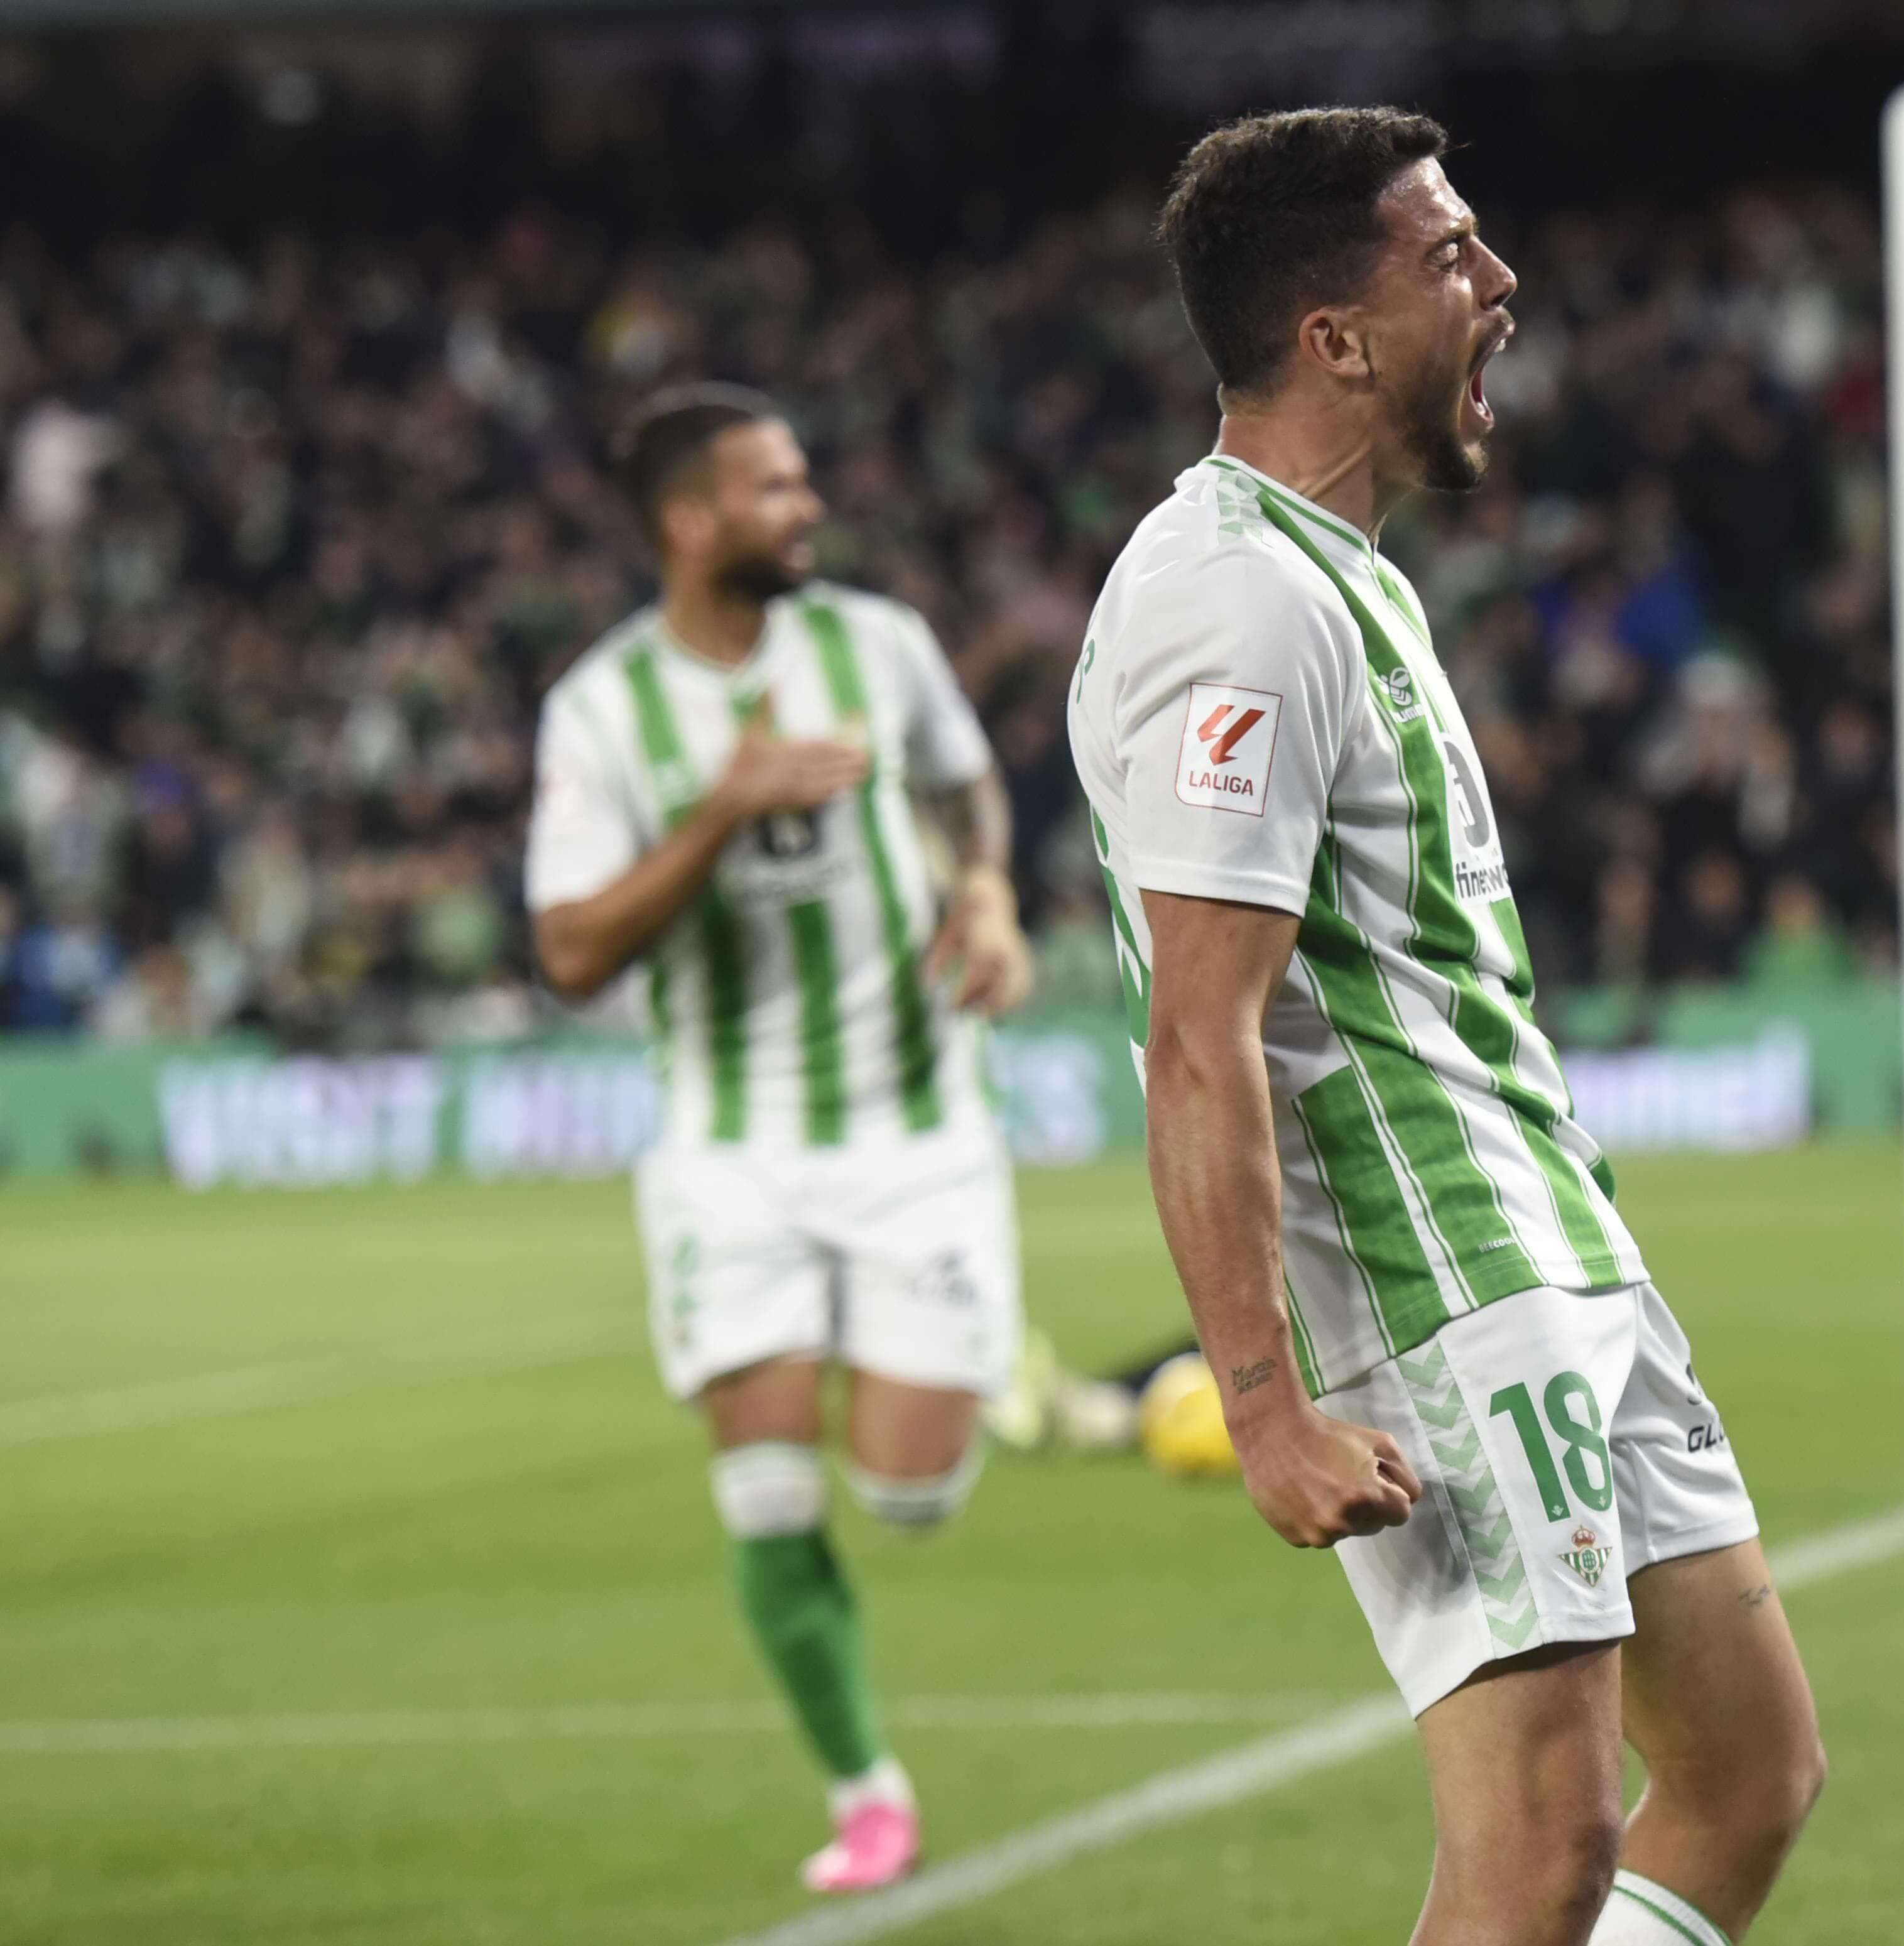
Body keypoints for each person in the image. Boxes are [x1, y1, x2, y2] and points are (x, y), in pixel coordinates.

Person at [1067, 110, 1824, 1946]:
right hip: (1436, 1282)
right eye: (1453, 256)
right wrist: (1261, 1404)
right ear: (1334, 334)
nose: (1500, 287)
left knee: (1741, 1773)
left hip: (1549, 1232)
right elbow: (1199, 1033)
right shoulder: (1231, 606)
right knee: (1539, 1851)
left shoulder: (1347, 577)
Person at [523, 383, 1033, 1894]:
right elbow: (567, 952)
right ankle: (867, 1791)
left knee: (908, 1495)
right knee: (761, 1484)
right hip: (727, 1150)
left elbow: (958, 787)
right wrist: (716, 812)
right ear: (689, 521)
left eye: (802, 480)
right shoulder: (603, 709)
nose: (805, 507)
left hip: (915, 1127)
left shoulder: (873, 644)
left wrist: (988, 893)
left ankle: (999, 1382)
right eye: (773, 487)